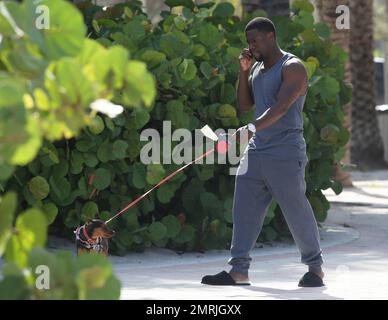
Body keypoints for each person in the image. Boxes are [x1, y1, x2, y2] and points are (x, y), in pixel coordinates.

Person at [201, 17, 324, 287]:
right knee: (244, 207)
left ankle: (315, 269)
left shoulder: (292, 67)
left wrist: (250, 129)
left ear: (271, 36)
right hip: (257, 151)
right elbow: (245, 105)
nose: (251, 46)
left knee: (295, 209)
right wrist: (244, 71)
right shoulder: (256, 69)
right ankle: (238, 270)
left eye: (255, 40)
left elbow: (281, 107)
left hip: (285, 150)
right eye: (248, 42)